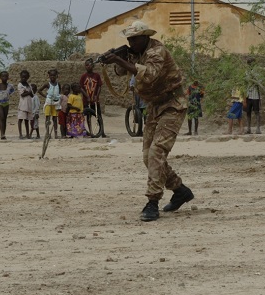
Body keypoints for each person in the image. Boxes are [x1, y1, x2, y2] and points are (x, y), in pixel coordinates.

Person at [101, 20, 193, 222]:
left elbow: (149, 75)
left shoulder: (156, 51)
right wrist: (117, 59)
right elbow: (122, 72)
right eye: (129, 40)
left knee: (156, 152)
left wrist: (120, 60)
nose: (131, 43)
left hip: (172, 104)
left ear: (145, 37)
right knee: (147, 156)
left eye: (135, 39)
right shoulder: (135, 53)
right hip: (154, 107)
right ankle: (179, 190)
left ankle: (153, 202)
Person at [80, 58, 107, 137]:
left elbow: (99, 86)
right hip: (86, 100)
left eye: (90, 65)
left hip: (95, 100)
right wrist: (86, 96)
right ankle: (91, 131)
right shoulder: (83, 76)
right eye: (86, 65)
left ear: (93, 66)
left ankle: (102, 132)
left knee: (98, 115)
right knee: (88, 116)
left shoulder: (97, 75)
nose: (88, 66)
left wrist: (96, 96)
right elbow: (81, 88)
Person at [40, 69, 62, 140]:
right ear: (49, 76)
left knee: (55, 119)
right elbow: (39, 90)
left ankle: (55, 133)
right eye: (51, 75)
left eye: (54, 75)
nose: (52, 77)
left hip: (55, 104)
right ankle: (47, 134)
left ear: (56, 76)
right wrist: (45, 96)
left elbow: (59, 92)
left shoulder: (58, 84)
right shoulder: (47, 84)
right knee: (48, 119)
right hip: (49, 103)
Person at [0, 71, 15, 140]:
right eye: (3, 76)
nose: (4, 78)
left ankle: (3, 133)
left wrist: (7, 95)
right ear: (0, 77)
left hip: (6, 103)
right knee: (1, 117)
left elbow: (12, 91)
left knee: (4, 118)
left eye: (6, 76)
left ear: (8, 77)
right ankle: (1, 134)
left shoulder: (9, 86)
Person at [245, 57, 262, 134]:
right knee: (248, 112)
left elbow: (259, 81)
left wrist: (252, 76)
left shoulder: (257, 72)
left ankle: (258, 128)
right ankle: (248, 128)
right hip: (248, 94)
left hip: (255, 95)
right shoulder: (246, 72)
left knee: (257, 112)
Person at [16, 70, 33, 139]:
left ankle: (27, 134)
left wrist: (28, 92)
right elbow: (22, 94)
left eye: (25, 77)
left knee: (27, 120)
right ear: (20, 77)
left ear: (28, 77)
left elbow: (32, 94)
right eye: (23, 77)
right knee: (20, 119)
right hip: (22, 105)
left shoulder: (28, 85)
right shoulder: (20, 85)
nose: (24, 78)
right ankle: (20, 134)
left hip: (28, 105)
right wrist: (28, 92)